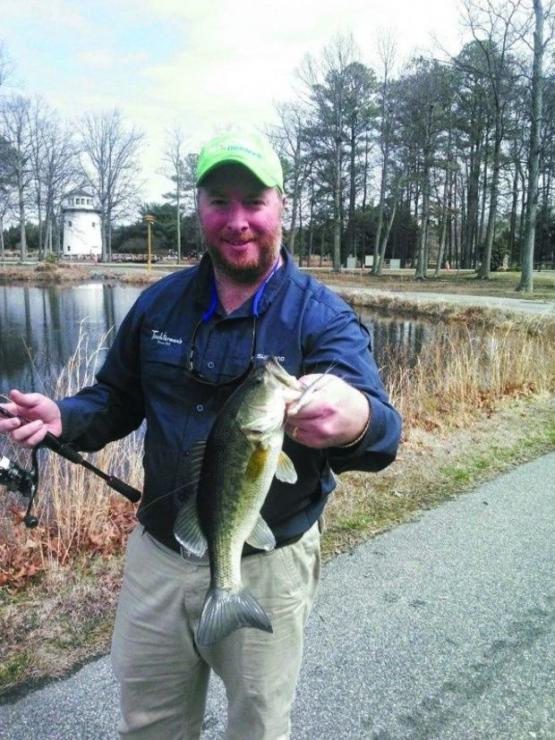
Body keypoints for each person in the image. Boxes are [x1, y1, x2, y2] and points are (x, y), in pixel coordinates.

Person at [0, 129, 401, 739]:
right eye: (220, 201)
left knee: (257, 726)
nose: (237, 221)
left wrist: (358, 420)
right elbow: (114, 401)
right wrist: (65, 416)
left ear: (281, 207)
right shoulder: (160, 305)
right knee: (150, 724)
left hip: (267, 562)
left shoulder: (321, 318)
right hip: (159, 553)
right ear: (199, 210)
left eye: (254, 202)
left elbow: (384, 435)